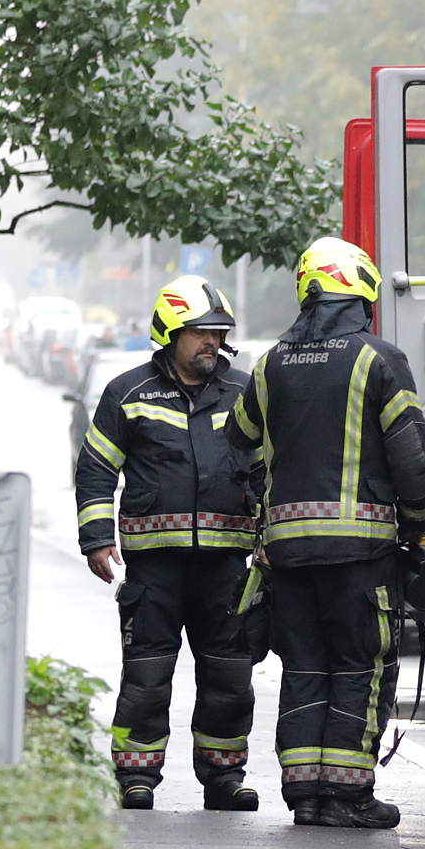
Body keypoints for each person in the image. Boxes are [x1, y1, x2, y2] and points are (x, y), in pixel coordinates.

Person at [229, 235, 425, 829]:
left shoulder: (268, 364)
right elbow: (413, 460)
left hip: (287, 556)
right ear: (361, 292)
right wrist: (415, 532)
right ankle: (347, 795)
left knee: (304, 668)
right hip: (360, 553)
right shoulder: (379, 359)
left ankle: (306, 796)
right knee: (359, 666)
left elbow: (239, 438)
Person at [72, 276, 261, 812]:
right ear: (170, 333)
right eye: (200, 332)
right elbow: (96, 468)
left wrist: (268, 536)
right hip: (154, 571)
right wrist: (95, 538)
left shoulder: (245, 393)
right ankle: (136, 776)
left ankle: (224, 779)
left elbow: (270, 468)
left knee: (229, 677)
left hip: (226, 566)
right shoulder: (128, 393)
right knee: (147, 677)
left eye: (218, 332)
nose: (212, 341)